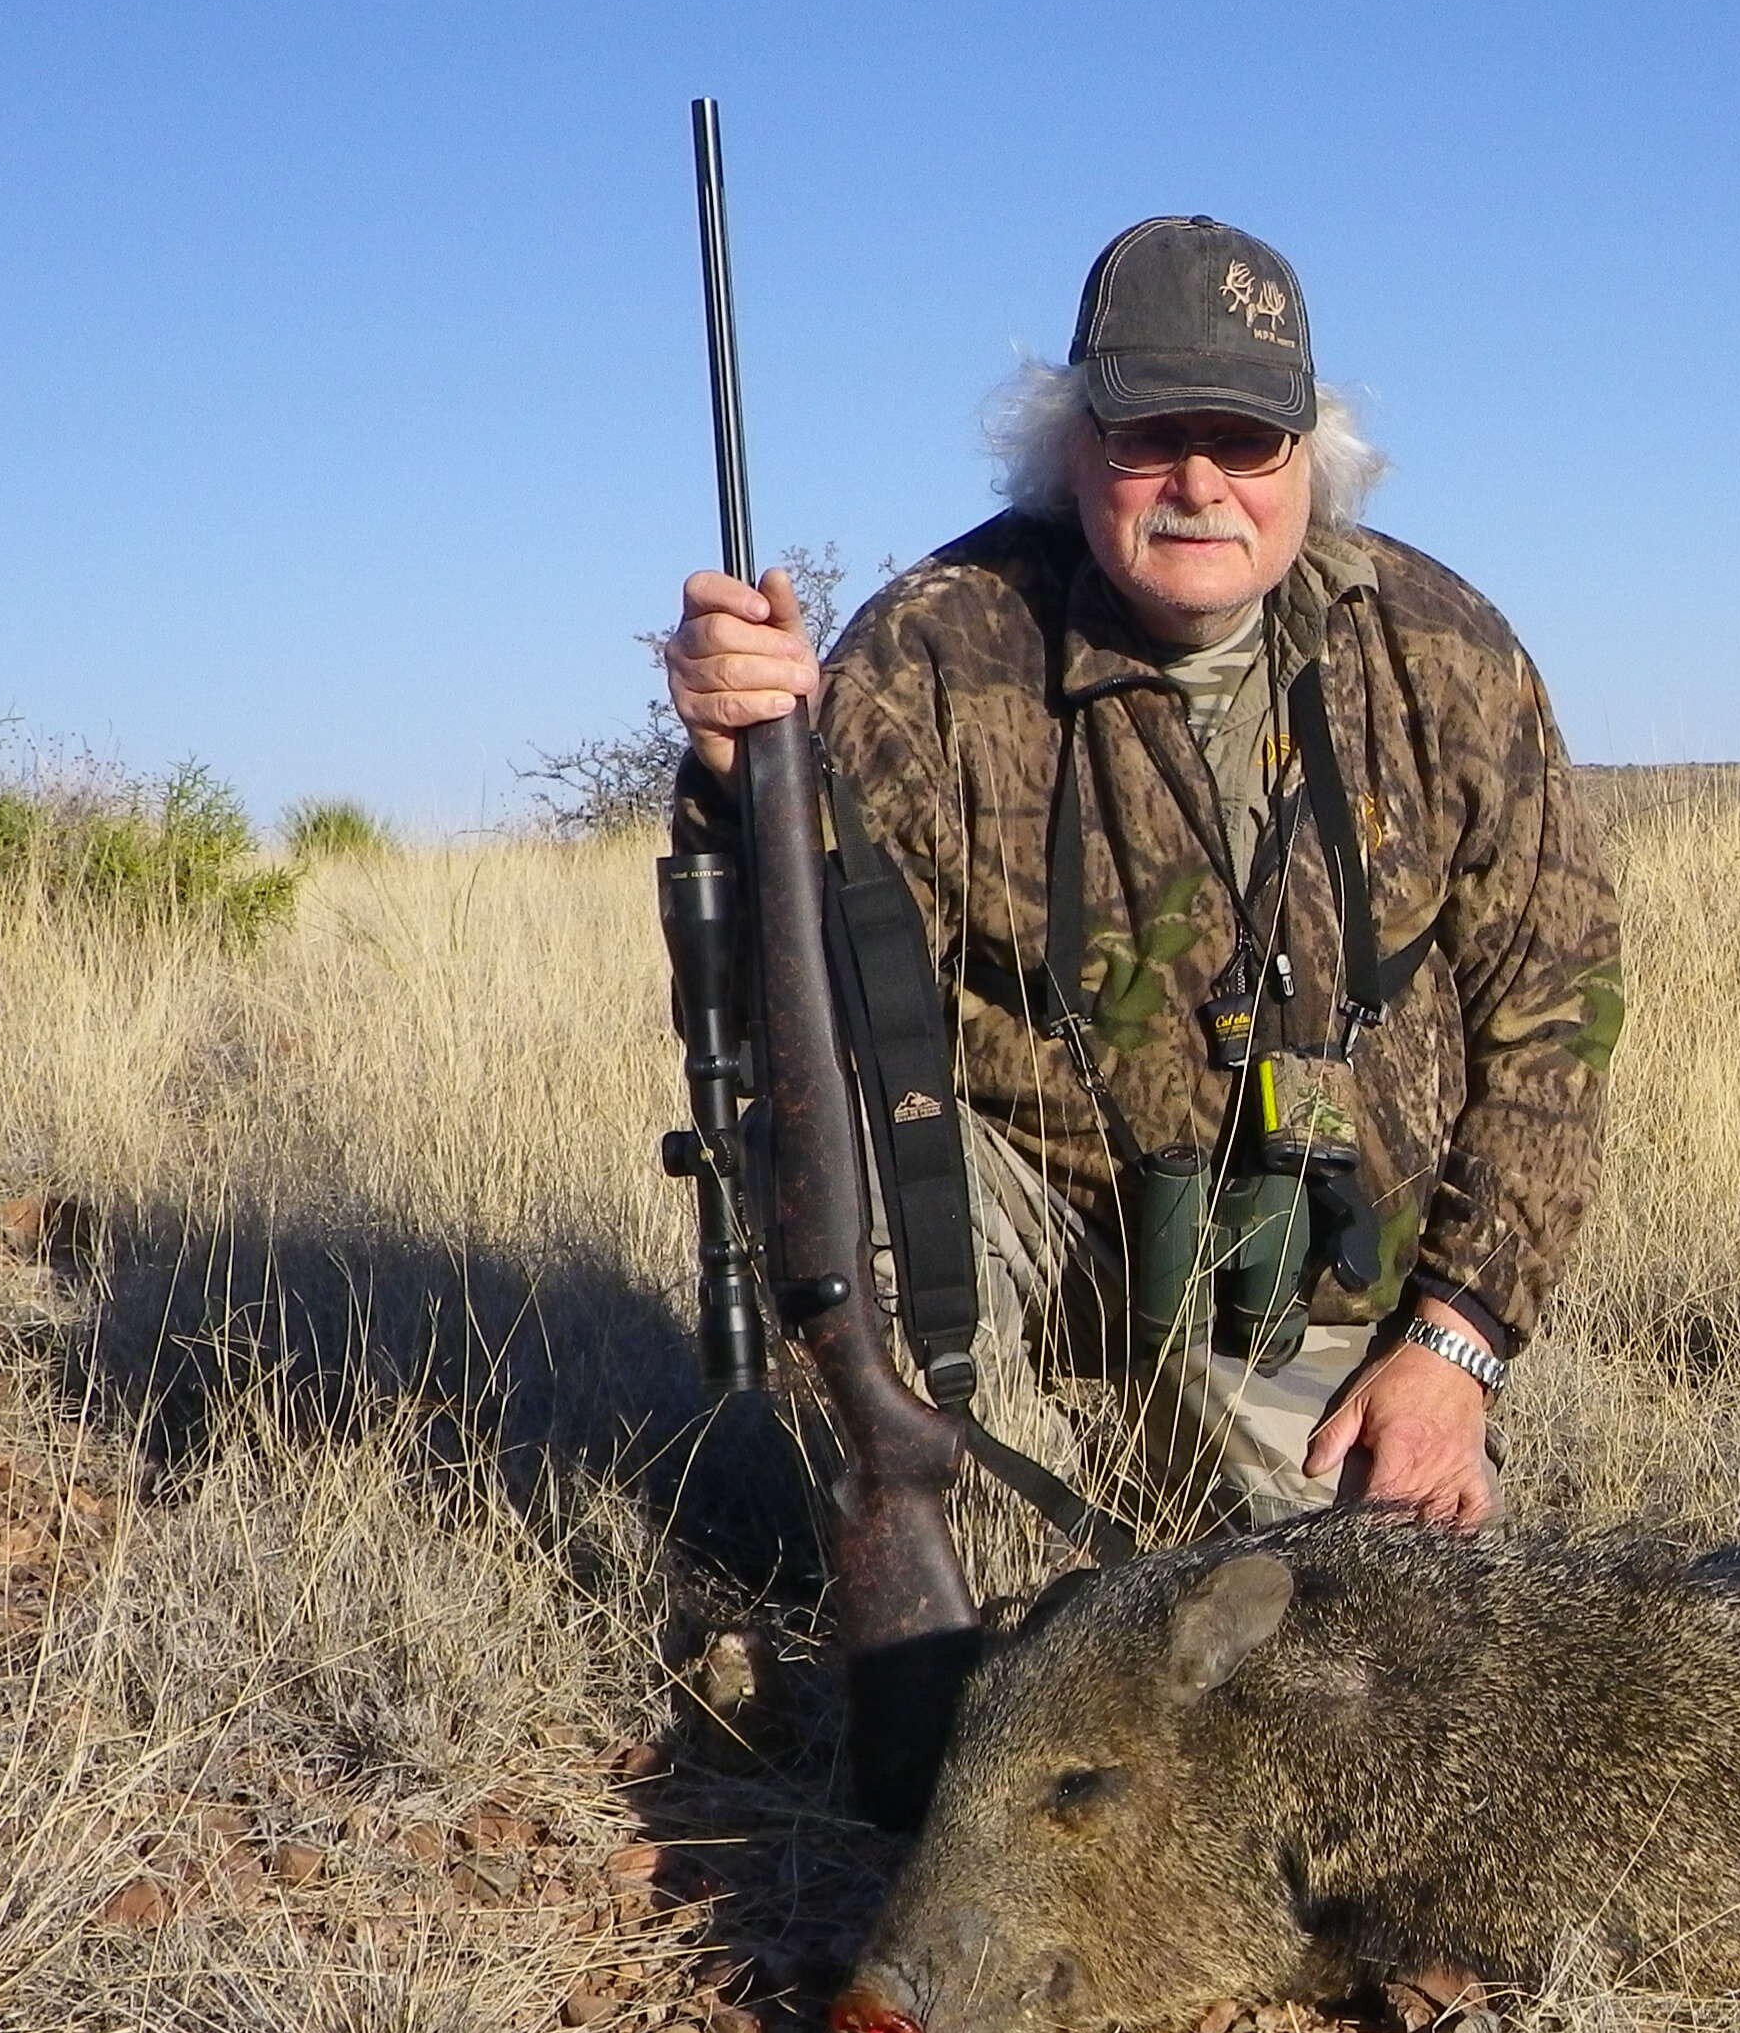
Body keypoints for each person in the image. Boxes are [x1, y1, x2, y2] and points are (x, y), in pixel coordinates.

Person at [660, 216, 1619, 1543]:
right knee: (834, 1159)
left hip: (1314, 1286)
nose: (1199, 484)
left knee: (1359, 1639)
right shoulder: (933, 654)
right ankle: (952, 1515)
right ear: (1070, 448)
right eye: (1147, 437)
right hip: (1027, 1278)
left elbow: (1558, 1011)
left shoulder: (1442, 651)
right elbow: (799, 1019)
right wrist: (734, 778)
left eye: (1245, 441)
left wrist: (1455, 1345)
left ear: (1310, 456)